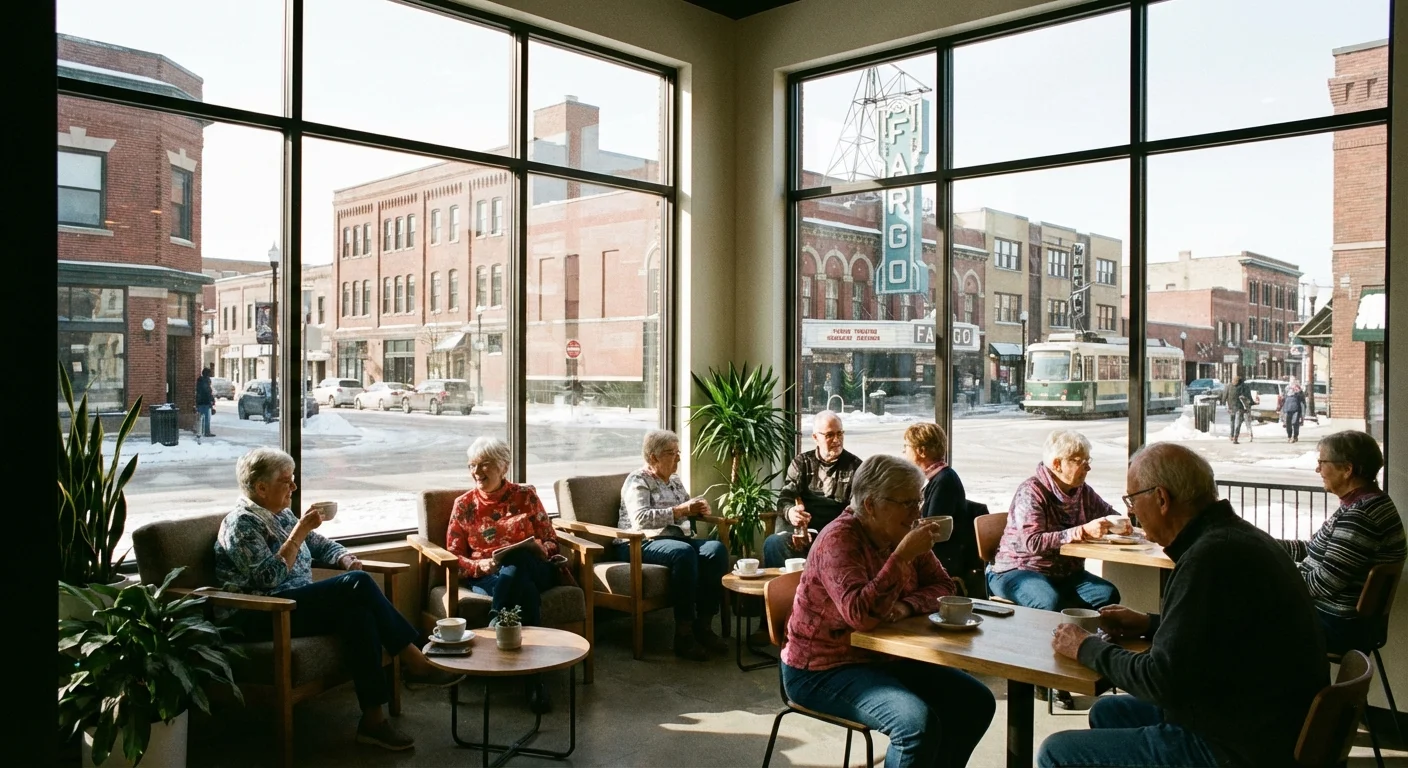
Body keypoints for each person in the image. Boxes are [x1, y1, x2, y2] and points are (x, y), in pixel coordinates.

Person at [1041, 442, 1328, 767]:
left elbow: (1160, 681)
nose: (1131, 512)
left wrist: (1086, 647)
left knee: (1056, 751)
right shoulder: (1237, 538)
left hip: (1236, 744)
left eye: (1132, 500)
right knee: (1110, 710)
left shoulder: (1208, 560)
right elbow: (1222, 630)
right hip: (1264, 719)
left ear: (1161, 499)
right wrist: (1151, 623)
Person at [215, 447, 461, 751]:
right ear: (261, 487)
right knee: (356, 584)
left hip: (291, 605)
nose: (293, 487)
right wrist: (300, 531)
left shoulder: (280, 515)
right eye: (286, 482)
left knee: (358, 614)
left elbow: (320, 544)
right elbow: (268, 577)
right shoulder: (241, 524)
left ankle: (373, 721)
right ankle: (414, 660)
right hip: (259, 614)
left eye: (293, 480)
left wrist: (342, 556)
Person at [781, 454, 996, 768]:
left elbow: (943, 586)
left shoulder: (901, 532)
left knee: (975, 702)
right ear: (870, 505)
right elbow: (861, 615)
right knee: (915, 725)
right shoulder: (839, 540)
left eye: (918, 501)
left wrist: (907, 605)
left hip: (884, 657)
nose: (917, 512)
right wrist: (901, 557)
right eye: (907, 503)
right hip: (822, 668)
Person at [988, 429, 1121, 709]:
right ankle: (1047, 676)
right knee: (1047, 601)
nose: (1087, 465)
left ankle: (1087, 659)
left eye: (1088, 459)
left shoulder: (1082, 491)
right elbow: (1032, 542)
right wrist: (1081, 531)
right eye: (1079, 460)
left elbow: (1109, 513)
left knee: (1108, 595)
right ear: (1057, 464)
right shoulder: (1032, 490)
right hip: (1016, 570)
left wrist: (1119, 523)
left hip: (1063, 573)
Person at [446, 436, 564, 713]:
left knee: (519, 558)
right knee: (523, 588)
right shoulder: (464, 505)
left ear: (504, 467)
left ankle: (495, 621)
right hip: (489, 576)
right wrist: (480, 566)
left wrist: (539, 548)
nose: (477, 472)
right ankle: (534, 682)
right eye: (472, 465)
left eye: (485, 465)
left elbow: (551, 540)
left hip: (536, 568)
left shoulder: (526, 495)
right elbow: (452, 557)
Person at [1278, 430, 1406, 655]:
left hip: (1336, 625)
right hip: (1336, 618)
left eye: (1322, 462)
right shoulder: (1366, 504)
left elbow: (1323, 583)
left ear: (1347, 469)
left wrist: (1271, 575)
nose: (1318, 470)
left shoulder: (1361, 515)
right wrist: (1266, 545)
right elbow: (1313, 549)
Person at [618, 429, 729, 661]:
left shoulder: (675, 481)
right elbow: (641, 519)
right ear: (653, 457)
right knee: (684, 553)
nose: (678, 457)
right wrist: (681, 511)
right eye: (671, 453)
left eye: (678, 452)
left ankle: (704, 626)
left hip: (675, 539)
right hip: (639, 542)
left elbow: (684, 511)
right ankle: (684, 634)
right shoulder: (638, 480)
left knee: (715, 550)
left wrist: (697, 509)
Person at [763, 409, 862, 569]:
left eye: (840, 434)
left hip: (837, 536)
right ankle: (784, 592)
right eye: (829, 435)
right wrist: (791, 513)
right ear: (815, 437)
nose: (836, 440)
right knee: (774, 543)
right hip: (803, 533)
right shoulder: (802, 463)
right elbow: (785, 498)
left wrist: (828, 534)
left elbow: (857, 510)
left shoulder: (855, 466)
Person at [901, 422, 978, 595]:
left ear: (921, 451)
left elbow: (931, 530)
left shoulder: (944, 481)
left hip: (943, 561)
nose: (903, 452)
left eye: (906, 446)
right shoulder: (935, 479)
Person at [1224, 374, 1255, 444]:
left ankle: (1232, 435)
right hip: (1240, 407)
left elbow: (1225, 395)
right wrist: (1251, 403)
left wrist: (1225, 403)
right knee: (1238, 423)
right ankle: (1235, 437)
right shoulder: (1244, 387)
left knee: (1232, 421)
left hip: (1231, 407)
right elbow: (1248, 396)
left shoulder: (1229, 386)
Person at [1280, 377, 1307, 443]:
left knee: (1295, 423)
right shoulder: (1287, 389)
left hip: (1296, 409)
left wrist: (1299, 392)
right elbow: (1283, 398)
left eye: (1294, 381)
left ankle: (1295, 436)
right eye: (1291, 381)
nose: (1292, 383)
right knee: (1288, 423)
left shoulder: (1298, 389)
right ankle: (1289, 436)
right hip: (1287, 408)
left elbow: (1302, 399)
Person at [195, 366, 215, 437]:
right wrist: (211, 400)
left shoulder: (199, 380)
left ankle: (200, 431)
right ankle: (206, 432)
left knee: (200, 418)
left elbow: (198, 391)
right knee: (206, 418)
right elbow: (208, 392)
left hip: (199, 402)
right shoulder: (206, 381)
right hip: (205, 402)